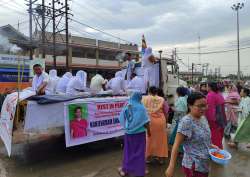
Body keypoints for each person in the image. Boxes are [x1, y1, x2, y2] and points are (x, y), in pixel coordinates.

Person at [166, 92, 219, 177]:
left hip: (204, 163)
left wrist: (211, 145)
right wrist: (171, 166)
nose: (204, 108)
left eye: (205, 105)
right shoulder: (186, 122)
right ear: (190, 106)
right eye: (200, 106)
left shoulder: (203, 118)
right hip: (193, 165)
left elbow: (201, 137)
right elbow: (176, 145)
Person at [118, 92, 151, 177]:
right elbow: (146, 122)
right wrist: (149, 131)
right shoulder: (141, 108)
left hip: (128, 133)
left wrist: (127, 127)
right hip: (139, 134)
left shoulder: (127, 105)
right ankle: (140, 171)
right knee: (139, 152)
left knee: (128, 151)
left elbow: (121, 117)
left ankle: (125, 169)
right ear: (139, 98)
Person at [142, 86, 168, 164]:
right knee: (161, 140)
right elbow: (166, 111)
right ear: (156, 92)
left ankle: (148, 158)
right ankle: (160, 159)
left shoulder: (144, 99)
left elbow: (142, 110)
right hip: (160, 121)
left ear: (149, 91)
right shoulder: (162, 99)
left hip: (149, 121)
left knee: (149, 139)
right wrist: (166, 122)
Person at [205, 82, 226, 149]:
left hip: (214, 120)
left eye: (207, 86)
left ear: (210, 87)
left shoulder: (210, 95)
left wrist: (210, 120)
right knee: (219, 135)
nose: (206, 88)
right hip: (221, 118)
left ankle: (217, 152)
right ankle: (218, 149)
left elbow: (210, 110)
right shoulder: (219, 94)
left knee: (214, 136)